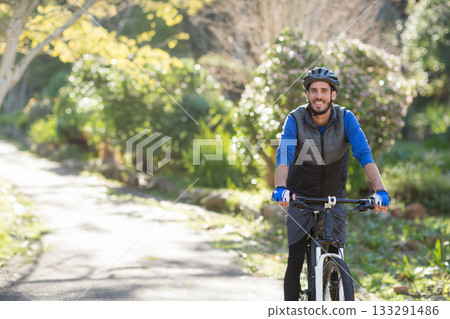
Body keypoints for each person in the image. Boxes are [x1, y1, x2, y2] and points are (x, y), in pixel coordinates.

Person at [271, 67, 390, 301]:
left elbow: (364, 154)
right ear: (307, 95)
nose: (319, 95)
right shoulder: (295, 119)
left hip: (334, 196)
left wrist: (381, 190)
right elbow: (284, 153)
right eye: (313, 90)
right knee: (295, 261)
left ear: (333, 95)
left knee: (335, 252)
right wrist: (281, 188)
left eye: (324, 90)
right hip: (300, 196)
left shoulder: (346, 118)